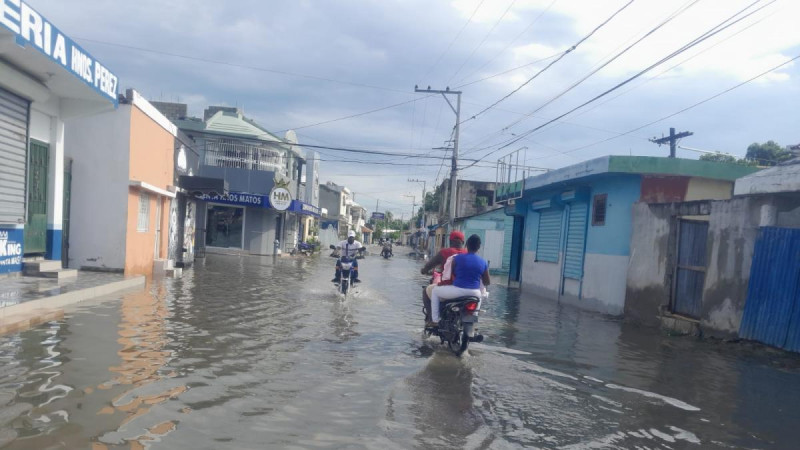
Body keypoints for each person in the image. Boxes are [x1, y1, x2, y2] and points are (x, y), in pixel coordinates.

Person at [429, 234, 490, 328]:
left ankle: (435, 321)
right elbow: (487, 282)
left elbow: (451, 274)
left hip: (457, 291)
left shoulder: (457, 258)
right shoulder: (483, 262)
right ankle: (473, 322)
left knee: (435, 291)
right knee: (479, 298)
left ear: (467, 245)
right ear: (479, 247)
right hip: (475, 293)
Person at [420, 231, 468, 322]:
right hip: (467, 290)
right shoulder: (468, 254)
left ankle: (431, 319)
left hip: (449, 288)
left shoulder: (444, 253)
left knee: (426, 291)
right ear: (463, 242)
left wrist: (424, 270)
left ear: (450, 242)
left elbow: (429, 265)